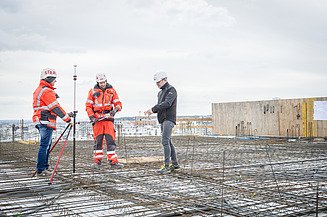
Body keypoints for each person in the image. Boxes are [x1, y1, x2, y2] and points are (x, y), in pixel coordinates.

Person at [32, 68, 72, 176]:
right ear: (49, 79)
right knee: (44, 145)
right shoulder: (46, 91)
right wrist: (67, 119)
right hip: (45, 121)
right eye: (54, 79)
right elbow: (55, 107)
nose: (55, 81)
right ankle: (41, 168)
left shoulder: (40, 89)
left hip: (41, 120)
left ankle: (44, 167)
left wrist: (68, 115)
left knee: (46, 145)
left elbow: (50, 107)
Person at [85, 73, 124, 168]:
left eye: (103, 82)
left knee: (110, 140)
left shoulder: (112, 91)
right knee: (98, 141)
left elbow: (118, 103)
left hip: (108, 119)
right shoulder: (92, 92)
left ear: (106, 81)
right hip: (97, 119)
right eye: (100, 82)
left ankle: (113, 161)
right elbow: (88, 106)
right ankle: (97, 161)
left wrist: (115, 109)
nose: (102, 84)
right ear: (97, 82)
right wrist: (91, 117)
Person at [144, 71, 180, 174]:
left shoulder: (171, 90)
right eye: (156, 83)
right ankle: (175, 164)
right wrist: (154, 110)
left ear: (164, 80)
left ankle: (167, 166)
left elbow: (167, 103)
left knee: (165, 141)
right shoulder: (160, 93)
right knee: (168, 141)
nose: (157, 84)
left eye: (159, 82)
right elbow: (160, 104)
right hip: (163, 119)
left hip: (169, 119)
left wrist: (152, 109)